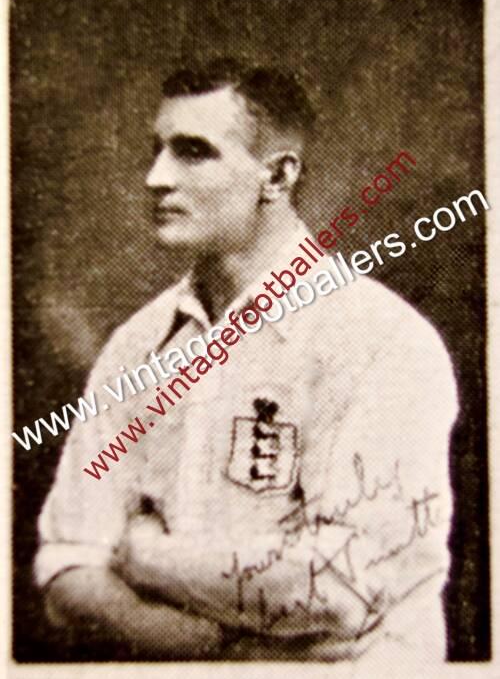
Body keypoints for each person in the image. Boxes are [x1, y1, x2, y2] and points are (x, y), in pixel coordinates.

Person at [35, 59, 458, 663]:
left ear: (277, 176)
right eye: (157, 150)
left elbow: (341, 588)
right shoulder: (136, 346)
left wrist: (149, 558)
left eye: (193, 152)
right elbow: (67, 563)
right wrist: (205, 645)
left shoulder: (383, 342)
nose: (156, 177)